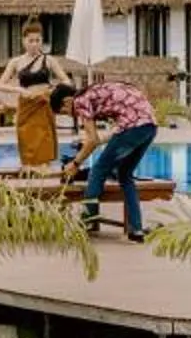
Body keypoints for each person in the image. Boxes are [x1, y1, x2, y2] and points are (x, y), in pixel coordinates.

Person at [68, 77, 159, 242]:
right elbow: (111, 133)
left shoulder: (80, 100)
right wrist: (92, 142)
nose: (71, 114)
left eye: (63, 109)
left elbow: (93, 140)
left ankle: (86, 222)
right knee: (125, 174)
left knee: (98, 169)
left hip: (132, 127)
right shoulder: (102, 91)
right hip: (150, 126)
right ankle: (136, 229)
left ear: (67, 100)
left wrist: (75, 163)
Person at [0, 21, 74, 168]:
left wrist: (51, 90)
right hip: (26, 108)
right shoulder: (16, 62)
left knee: (44, 145)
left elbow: (67, 81)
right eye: (30, 40)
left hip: (44, 106)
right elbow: (1, 85)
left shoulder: (49, 60)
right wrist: (20, 90)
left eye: (38, 40)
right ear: (23, 40)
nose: (34, 44)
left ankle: (45, 183)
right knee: (27, 148)